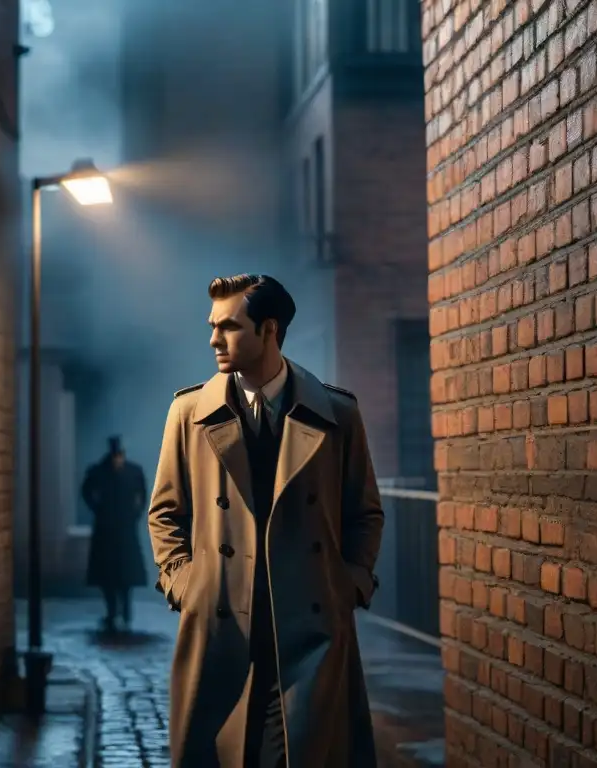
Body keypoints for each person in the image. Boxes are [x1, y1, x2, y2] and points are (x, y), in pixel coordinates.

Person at [147, 274, 384, 767]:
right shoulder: (189, 412)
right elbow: (166, 512)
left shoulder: (337, 413)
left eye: (229, 327)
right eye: (213, 326)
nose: (214, 339)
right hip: (220, 626)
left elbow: (365, 512)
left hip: (309, 631)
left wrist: (350, 585)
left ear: (269, 330)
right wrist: (186, 586)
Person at [82, 436, 149, 632]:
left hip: (125, 528)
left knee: (125, 573)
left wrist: (135, 514)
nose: (117, 459)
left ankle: (125, 608)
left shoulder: (133, 471)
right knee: (107, 574)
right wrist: (98, 509)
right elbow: (86, 491)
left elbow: (142, 494)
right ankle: (112, 611)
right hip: (107, 528)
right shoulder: (99, 471)